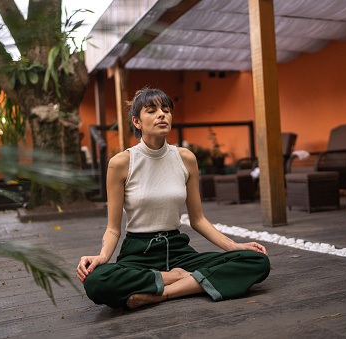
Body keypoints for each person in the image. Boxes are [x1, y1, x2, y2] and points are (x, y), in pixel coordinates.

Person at [76, 88, 270, 310]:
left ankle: (163, 292)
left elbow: (198, 219)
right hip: (139, 252)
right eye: (152, 110)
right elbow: (113, 228)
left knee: (256, 261)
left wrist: (235, 246)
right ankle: (183, 278)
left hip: (178, 251)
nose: (162, 115)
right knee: (95, 280)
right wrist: (102, 256)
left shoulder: (185, 158)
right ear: (137, 122)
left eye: (166, 110)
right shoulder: (121, 163)